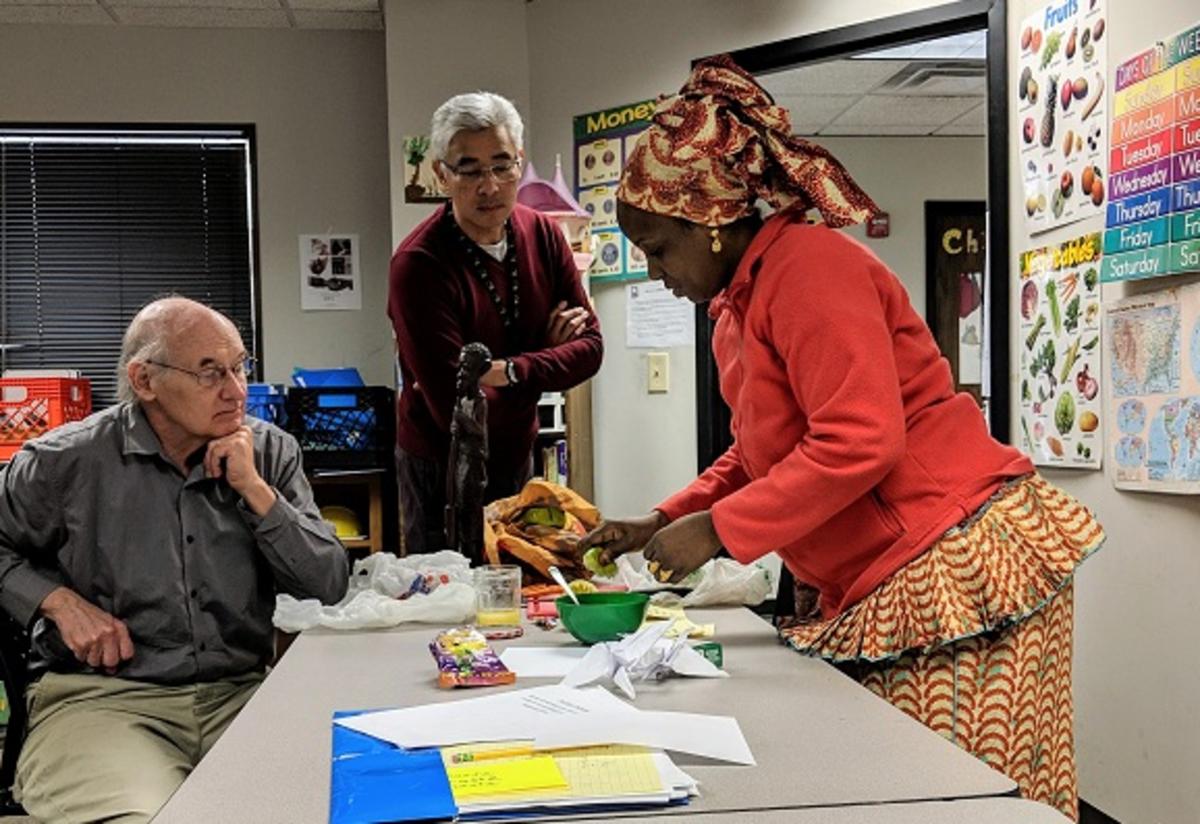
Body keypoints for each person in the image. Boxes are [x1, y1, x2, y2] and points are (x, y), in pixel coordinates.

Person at [579, 56, 1104, 821]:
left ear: (716, 224)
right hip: (892, 564)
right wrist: (665, 518)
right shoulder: (740, 305)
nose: (655, 272)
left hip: (951, 560)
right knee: (900, 783)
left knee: (953, 793)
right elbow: (761, 452)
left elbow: (859, 441)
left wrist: (721, 531)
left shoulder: (810, 269)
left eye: (660, 248)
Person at [0, 297, 349, 823]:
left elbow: (327, 583)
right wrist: (56, 602)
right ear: (145, 381)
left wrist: (254, 491)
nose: (236, 391)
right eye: (210, 373)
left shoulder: (270, 452)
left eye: (239, 367)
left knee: (330, 808)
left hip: (242, 695)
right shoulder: (63, 462)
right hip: (103, 702)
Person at [389, 91, 603, 555]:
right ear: (440, 174)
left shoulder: (544, 234)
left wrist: (511, 371)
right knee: (450, 602)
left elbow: (591, 350)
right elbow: (458, 405)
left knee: (521, 581)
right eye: (469, 169)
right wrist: (547, 356)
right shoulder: (418, 264)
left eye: (502, 165)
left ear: (520, 163)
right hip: (440, 465)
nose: (489, 186)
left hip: (517, 451)